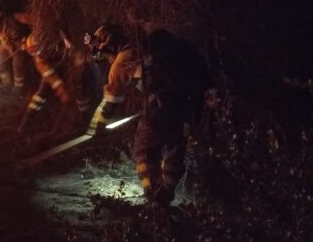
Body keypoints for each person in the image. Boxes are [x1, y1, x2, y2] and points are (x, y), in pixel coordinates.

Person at [86, 24, 211, 208]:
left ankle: (154, 200)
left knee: (143, 149)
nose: (106, 59)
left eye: (104, 54)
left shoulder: (122, 60)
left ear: (108, 46)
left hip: (158, 107)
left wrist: (95, 128)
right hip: (184, 106)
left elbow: (111, 102)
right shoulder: (146, 50)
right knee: (173, 147)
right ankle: (166, 195)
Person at [18, 31, 72, 133]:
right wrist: (61, 90)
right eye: (34, 53)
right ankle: (27, 121)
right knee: (42, 93)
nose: (37, 55)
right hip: (54, 64)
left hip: (65, 60)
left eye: (37, 52)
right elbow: (49, 75)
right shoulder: (39, 59)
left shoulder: (53, 38)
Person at [0, 4, 30, 91]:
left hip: (20, 41)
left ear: (0, 16)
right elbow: (1, 37)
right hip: (6, 42)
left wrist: (30, 39)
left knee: (17, 64)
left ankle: (18, 88)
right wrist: (9, 47)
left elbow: (33, 20)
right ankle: (7, 86)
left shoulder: (15, 17)